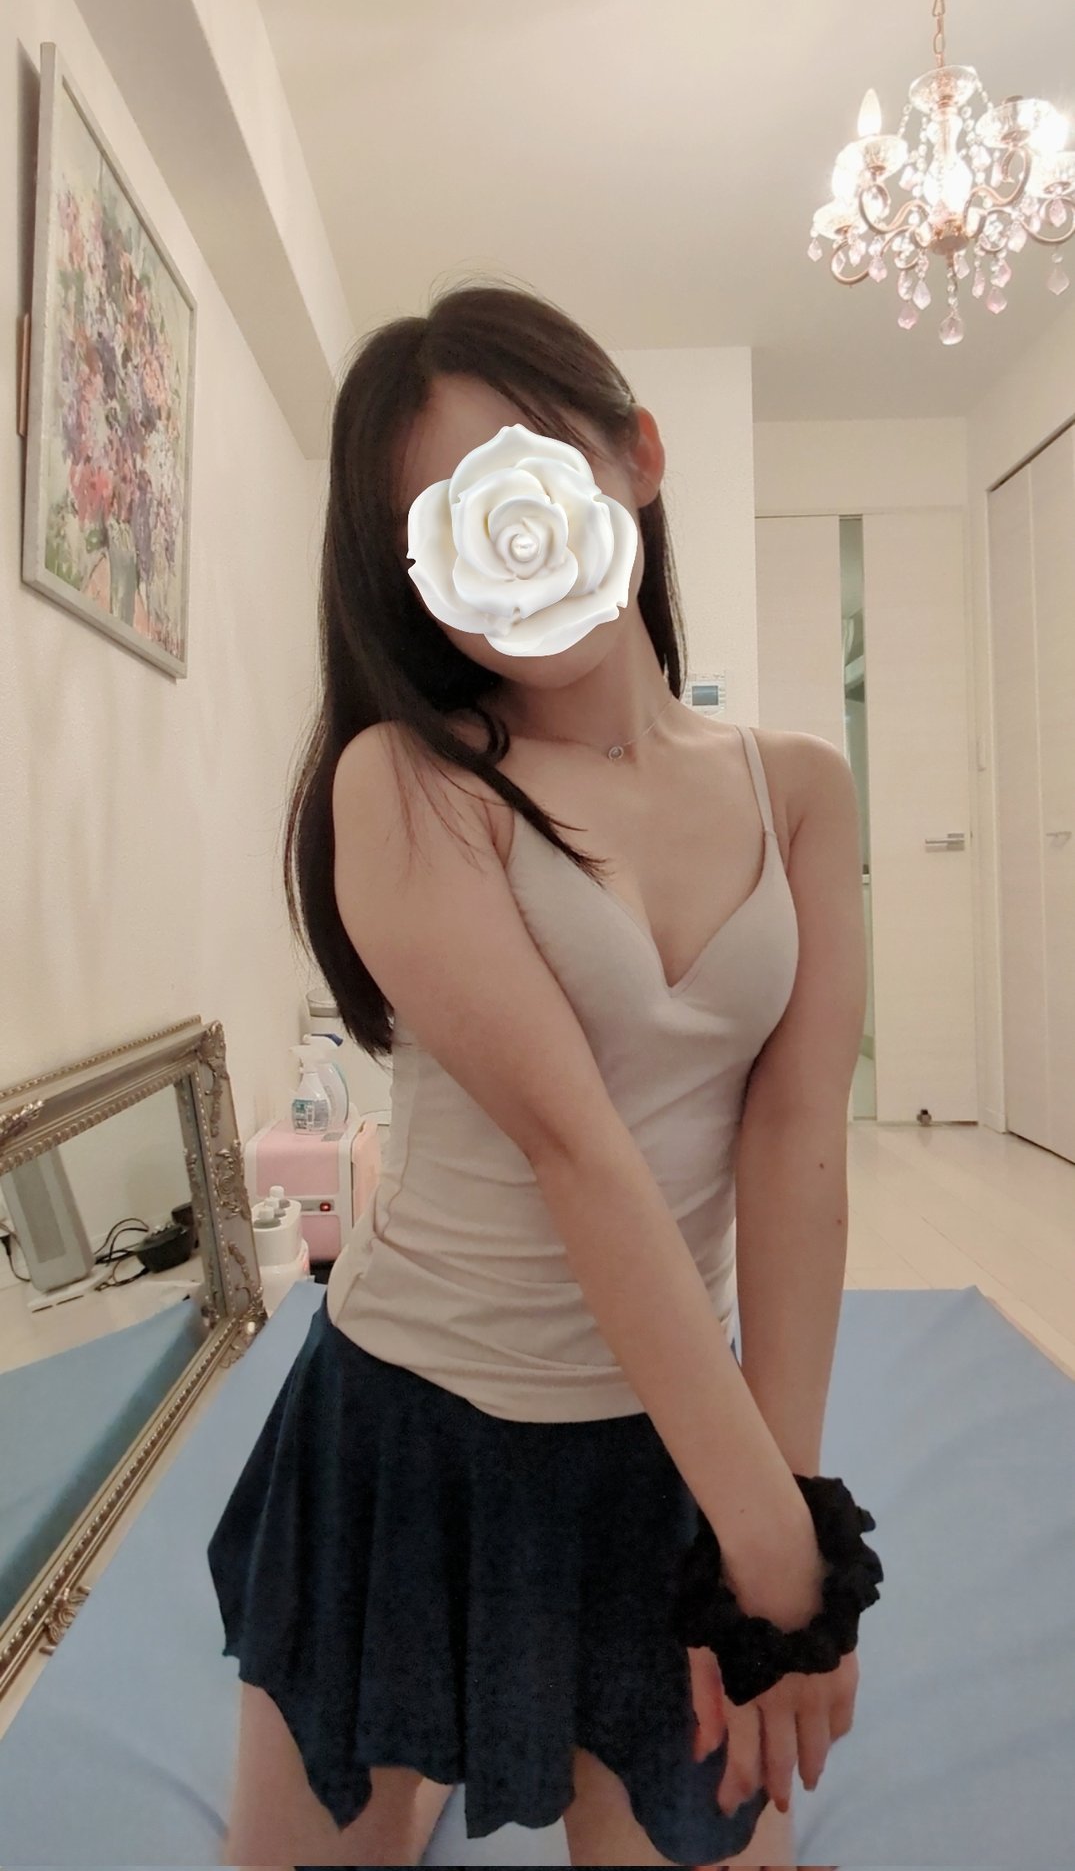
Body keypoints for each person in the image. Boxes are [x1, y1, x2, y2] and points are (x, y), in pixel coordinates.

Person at [207, 283, 869, 1868]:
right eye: (439, 526)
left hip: (668, 1433)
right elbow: (583, 1153)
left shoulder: (800, 790)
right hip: (412, 1433)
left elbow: (796, 1143)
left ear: (637, 456)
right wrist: (778, 1555)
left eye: (522, 476)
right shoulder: (410, 785)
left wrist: (778, 1522)